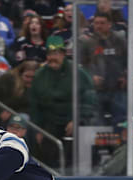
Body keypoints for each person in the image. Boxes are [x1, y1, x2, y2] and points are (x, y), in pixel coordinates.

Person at [28, 35, 96, 168]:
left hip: (74, 119)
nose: (53, 57)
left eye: (57, 53)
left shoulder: (77, 72)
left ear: (64, 54)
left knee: (83, 133)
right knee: (45, 146)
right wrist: (38, 129)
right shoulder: (40, 76)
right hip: (50, 121)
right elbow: (34, 105)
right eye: (50, 53)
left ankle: (84, 170)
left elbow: (89, 98)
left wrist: (77, 118)